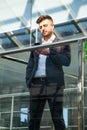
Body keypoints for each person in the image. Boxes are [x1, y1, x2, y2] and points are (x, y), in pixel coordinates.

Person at [26, 15, 71, 130]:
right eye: (40, 27)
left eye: (45, 25)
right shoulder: (36, 45)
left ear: (52, 25)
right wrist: (29, 82)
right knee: (33, 119)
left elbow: (66, 61)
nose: (43, 29)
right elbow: (30, 65)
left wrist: (49, 52)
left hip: (54, 84)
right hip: (36, 84)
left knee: (57, 117)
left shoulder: (62, 43)